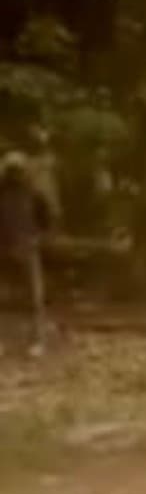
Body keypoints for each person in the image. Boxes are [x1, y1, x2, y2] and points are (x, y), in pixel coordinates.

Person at [0, 151, 52, 357]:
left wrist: (37, 238)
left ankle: (37, 340)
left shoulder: (34, 194)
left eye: (18, 170)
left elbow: (46, 219)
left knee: (34, 299)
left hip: (27, 249)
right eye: (11, 170)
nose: (14, 174)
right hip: (3, 249)